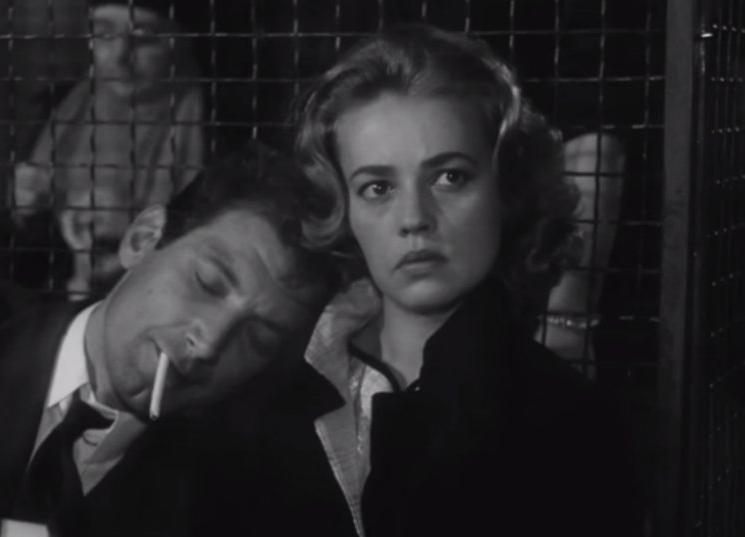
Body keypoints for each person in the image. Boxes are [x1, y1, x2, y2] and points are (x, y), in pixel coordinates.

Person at [240, 25, 644, 537]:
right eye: (378, 187)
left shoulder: (574, 423)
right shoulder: (268, 393)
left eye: (449, 177)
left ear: (505, 188)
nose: (414, 217)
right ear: (342, 209)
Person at [0, 153, 340, 536]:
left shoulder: (231, 500)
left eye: (257, 338)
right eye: (208, 283)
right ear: (143, 239)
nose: (210, 342)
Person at [0, 0, 207, 298]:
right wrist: (22, 216)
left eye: (145, 38)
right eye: (104, 34)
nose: (120, 56)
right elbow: (6, 274)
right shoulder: (58, 113)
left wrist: (138, 236)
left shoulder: (217, 125)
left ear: (182, 43)